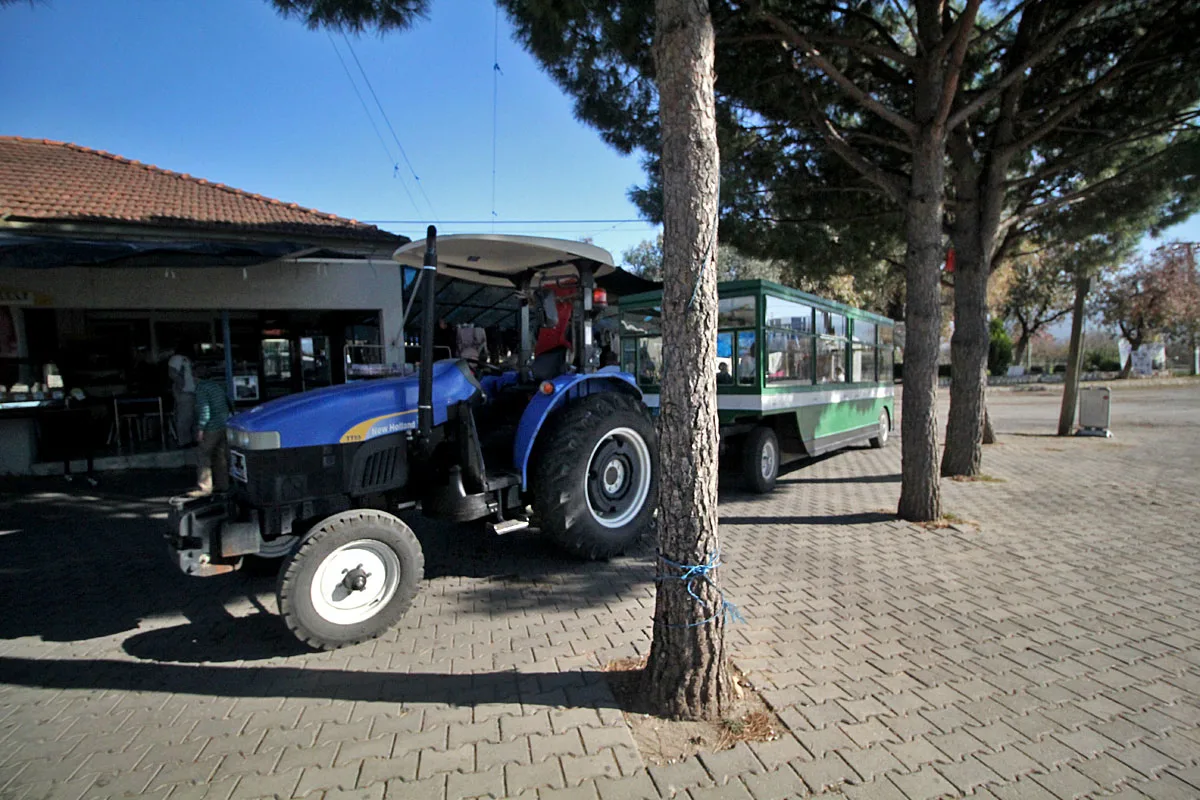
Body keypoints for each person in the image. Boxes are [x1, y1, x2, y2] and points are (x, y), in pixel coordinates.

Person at [190, 366, 233, 496]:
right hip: (223, 423)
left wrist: (201, 428)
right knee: (220, 456)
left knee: (203, 455)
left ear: (195, 377)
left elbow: (204, 410)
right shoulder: (217, 385)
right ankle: (223, 484)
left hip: (211, 427)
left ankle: (204, 487)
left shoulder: (201, 388)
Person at [167, 345, 196, 448]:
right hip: (185, 392)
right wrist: (181, 385)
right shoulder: (178, 359)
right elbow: (173, 374)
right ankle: (184, 441)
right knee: (184, 418)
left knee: (189, 418)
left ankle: (188, 440)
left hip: (188, 391)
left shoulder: (183, 359)